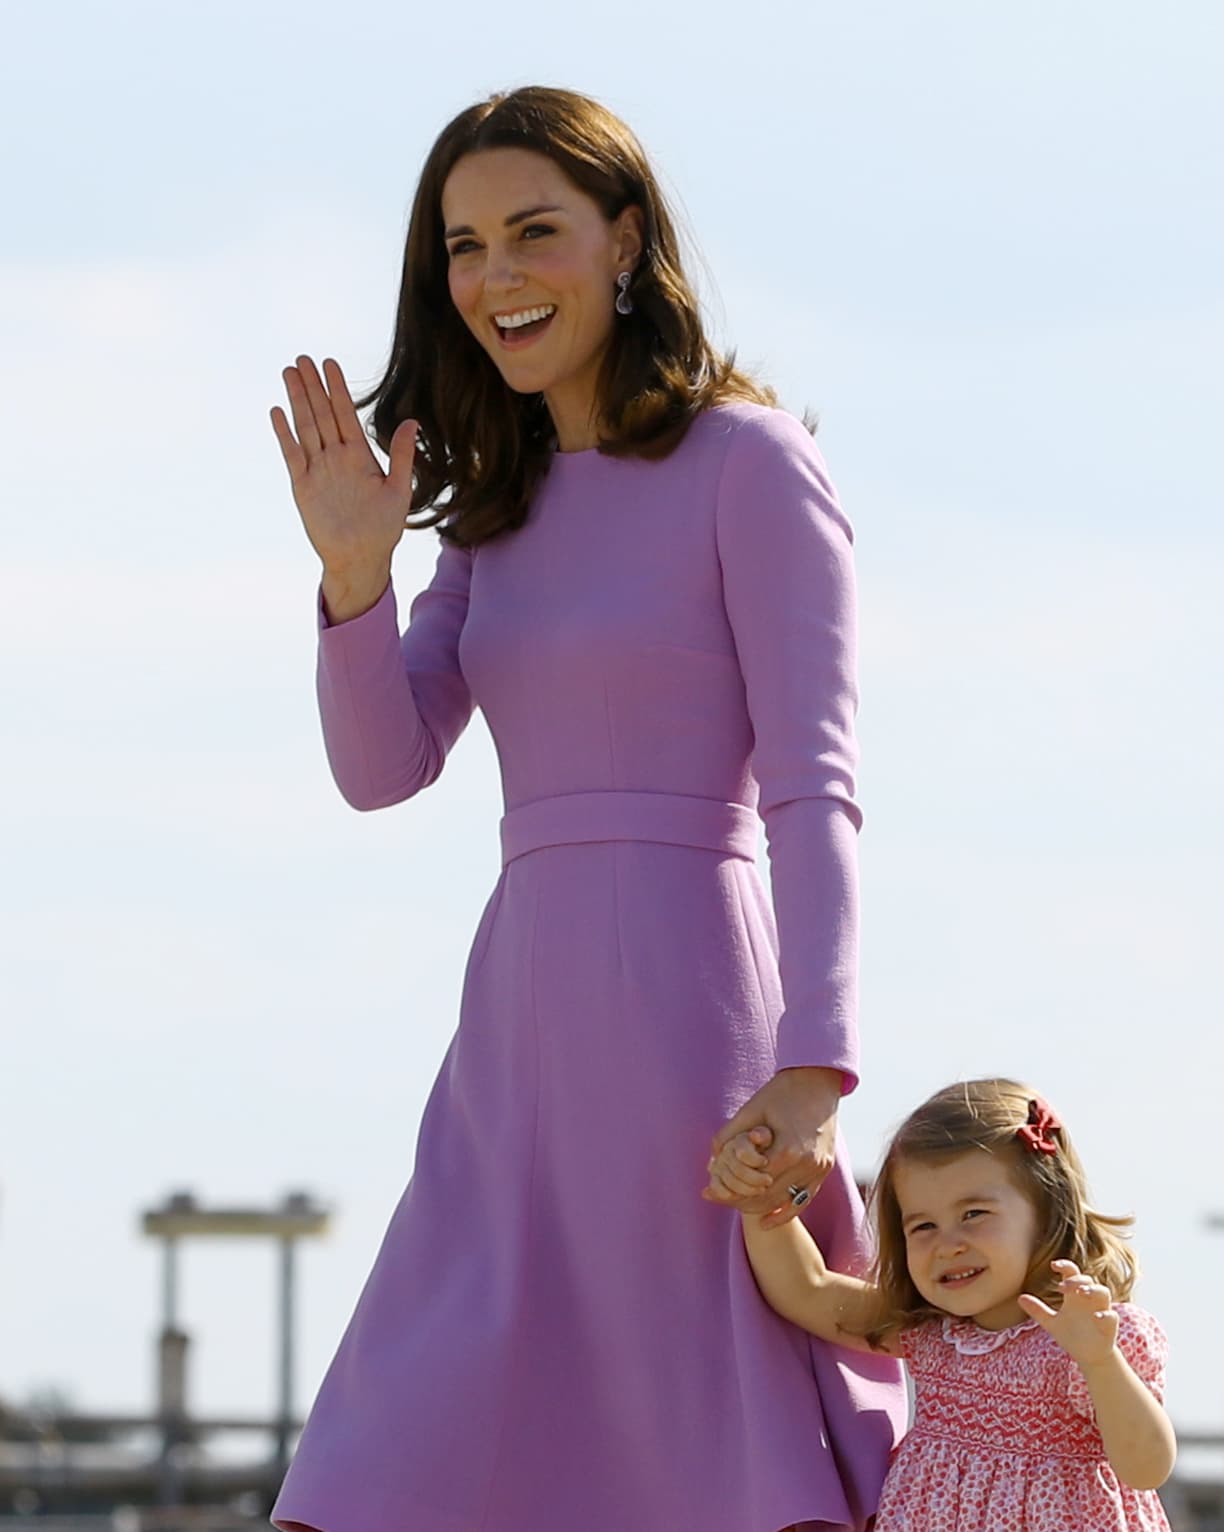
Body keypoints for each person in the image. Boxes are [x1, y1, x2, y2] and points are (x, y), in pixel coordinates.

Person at [267, 84, 906, 1532]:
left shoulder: (752, 462)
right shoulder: (496, 501)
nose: (496, 276)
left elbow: (817, 782)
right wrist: (355, 577)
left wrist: (819, 1065)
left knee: (713, 1444)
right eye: (464, 244)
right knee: (386, 1463)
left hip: (700, 1018)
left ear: (625, 241)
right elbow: (384, 767)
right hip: (518, 1029)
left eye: (534, 232)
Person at [708, 1077, 1177, 1530]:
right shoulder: (932, 1333)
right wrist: (760, 1200)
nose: (947, 1244)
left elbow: (1146, 1469)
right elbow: (807, 1290)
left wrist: (1100, 1361)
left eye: (974, 1214)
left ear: (1048, 1210)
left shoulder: (1094, 1334)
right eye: (923, 1226)